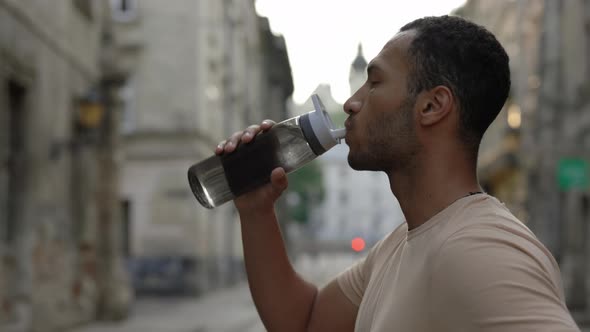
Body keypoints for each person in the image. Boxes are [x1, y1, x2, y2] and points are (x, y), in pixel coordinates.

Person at [215, 15, 580, 331]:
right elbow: (305, 322)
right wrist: (257, 211)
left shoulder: (481, 250)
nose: (351, 103)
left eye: (374, 82)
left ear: (432, 106)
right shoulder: (399, 245)